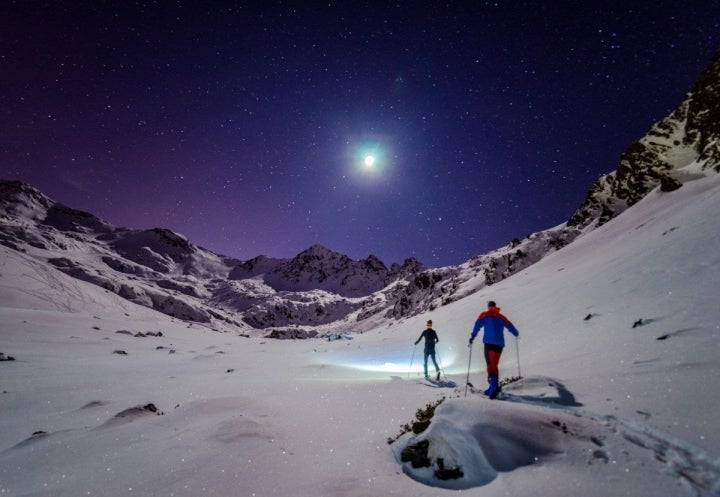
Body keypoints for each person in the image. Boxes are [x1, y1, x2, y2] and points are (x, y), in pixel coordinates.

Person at [469, 301, 519, 398]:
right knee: (494, 365)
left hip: (489, 344)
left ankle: (493, 388)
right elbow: (509, 325)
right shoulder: (501, 317)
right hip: (499, 345)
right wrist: (515, 333)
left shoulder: (485, 315)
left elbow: (477, 325)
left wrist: (473, 336)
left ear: (488, 307)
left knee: (490, 365)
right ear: (495, 307)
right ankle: (493, 386)